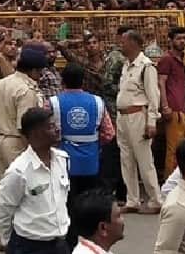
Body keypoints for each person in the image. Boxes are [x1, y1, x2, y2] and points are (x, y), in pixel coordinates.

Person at [0, 48, 45, 254]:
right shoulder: (26, 90)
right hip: (18, 143)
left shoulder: (4, 83)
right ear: (34, 70)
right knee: (24, 199)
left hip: (1, 139)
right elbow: (26, 127)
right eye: (40, 70)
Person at [50, 63, 114, 246]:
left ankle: (70, 244)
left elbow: (48, 133)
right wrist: (93, 145)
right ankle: (89, 244)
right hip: (91, 164)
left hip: (63, 164)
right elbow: (108, 133)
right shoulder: (97, 102)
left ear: (63, 81)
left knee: (67, 206)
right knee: (89, 207)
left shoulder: (53, 102)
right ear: (83, 81)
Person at [0, 107, 70, 254]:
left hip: (60, 243)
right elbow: (4, 209)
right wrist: (7, 242)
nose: (57, 129)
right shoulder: (18, 171)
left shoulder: (63, 160)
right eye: (51, 126)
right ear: (35, 133)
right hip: (29, 246)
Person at [116, 29, 161, 214]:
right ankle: (132, 199)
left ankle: (155, 200)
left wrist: (152, 122)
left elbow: (153, 96)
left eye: (124, 41)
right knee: (126, 160)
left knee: (144, 160)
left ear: (134, 43)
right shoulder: (126, 65)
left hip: (138, 116)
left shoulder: (146, 67)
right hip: (123, 116)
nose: (121, 44)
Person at [157, 27, 185, 177]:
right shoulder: (167, 59)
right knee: (174, 150)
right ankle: (170, 181)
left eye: (184, 38)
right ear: (170, 41)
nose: (182, 41)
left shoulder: (181, 59)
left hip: (181, 109)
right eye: (178, 38)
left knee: (182, 148)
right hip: (173, 110)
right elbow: (161, 83)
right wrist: (165, 106)